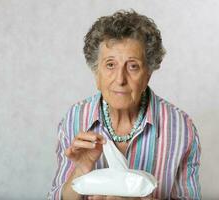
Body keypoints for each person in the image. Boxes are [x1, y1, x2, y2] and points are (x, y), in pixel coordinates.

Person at [48, 10, 201, 200]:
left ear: (148, 74)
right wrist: (79, 172)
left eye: (133, 66)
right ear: (97, 74)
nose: (120, 79)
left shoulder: (181, 128)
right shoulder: (74, 118)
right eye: (110, 65)